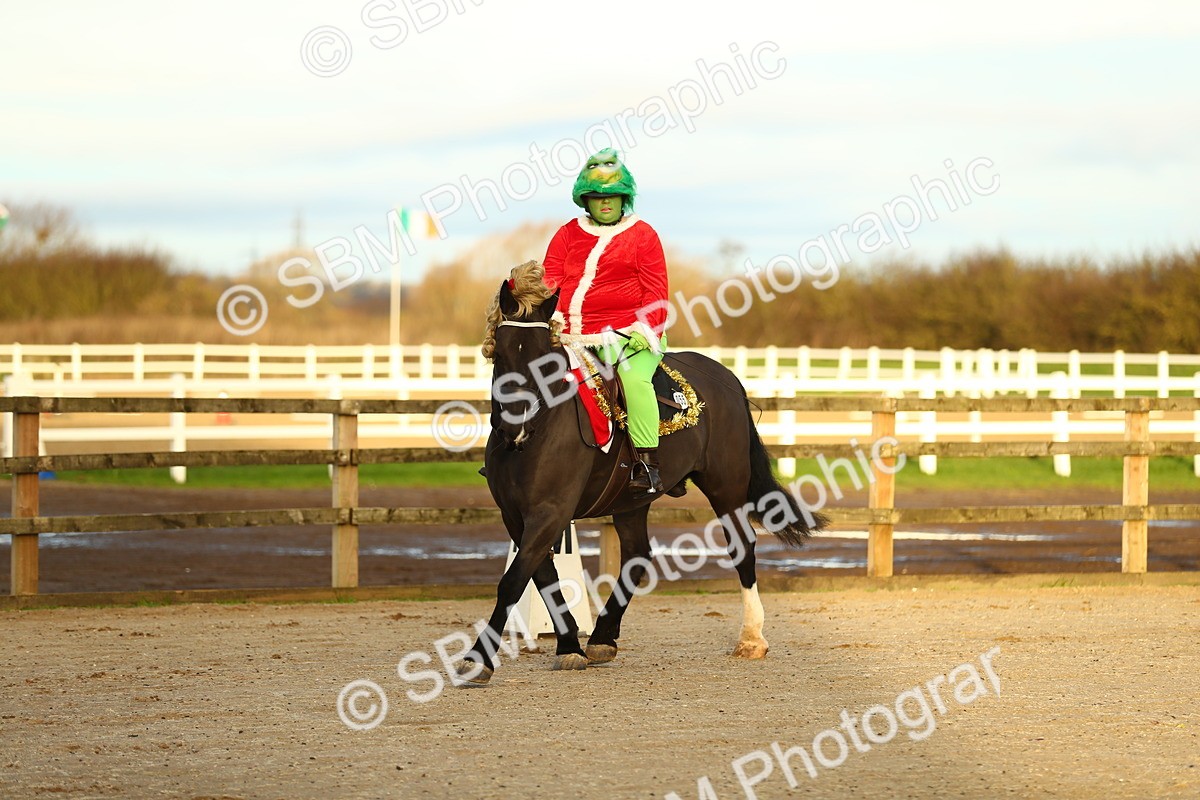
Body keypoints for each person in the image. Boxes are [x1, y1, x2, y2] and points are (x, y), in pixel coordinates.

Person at [541, 148, 669, 495]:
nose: (606, 202)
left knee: (633, 382)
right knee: (535, 378)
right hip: (570, 338)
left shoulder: (643, 235)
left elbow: (656, 291)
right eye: (598, 196)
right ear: (586, 200)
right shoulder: (567, 233)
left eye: (612, 195)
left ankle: (647, 463)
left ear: (624, 197)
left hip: (628, 336)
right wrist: (548, 319)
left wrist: (645, 328)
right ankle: (517, 451)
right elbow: (550, 279)